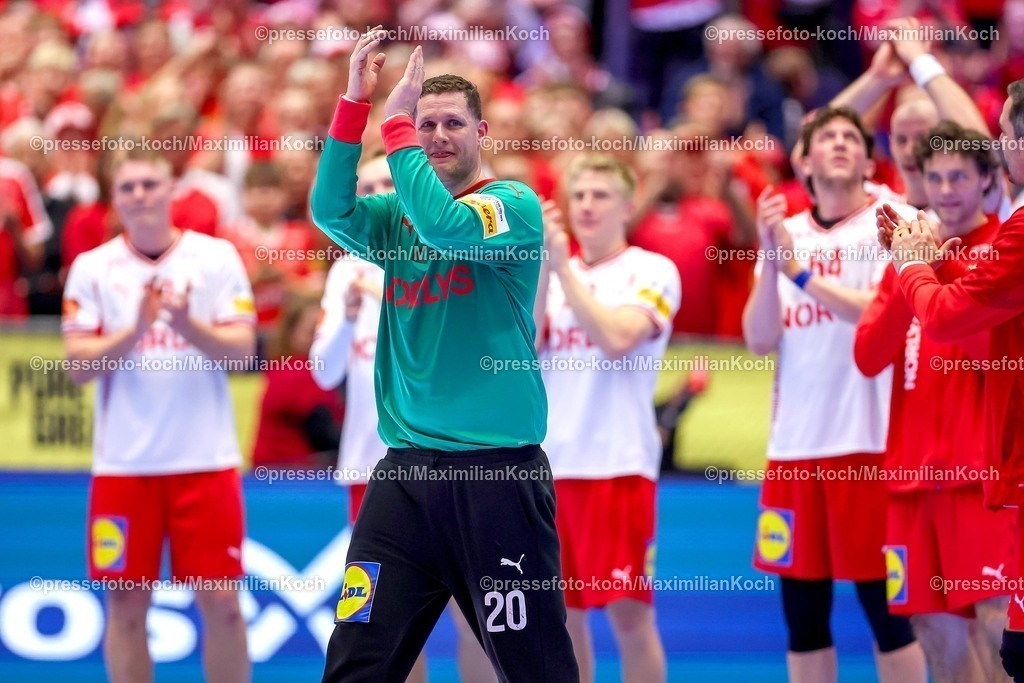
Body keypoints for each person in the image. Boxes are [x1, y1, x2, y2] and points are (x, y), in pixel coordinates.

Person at [310, 29, 578, 683]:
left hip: (496, 476)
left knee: (533, 663)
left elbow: (444, 226)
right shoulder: (395, 217)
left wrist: (395, 121)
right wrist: (355, 102)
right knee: (357, 657)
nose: (436, 134)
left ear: (482, 130)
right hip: (403, 476)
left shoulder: (509, 206)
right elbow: (329, 209)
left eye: (452, 122)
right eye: (425, 123)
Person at [742, 106, 927, 683]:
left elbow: (883, 313)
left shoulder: (898, 220)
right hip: (796, 447)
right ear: (805, 160)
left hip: (870, 442)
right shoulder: (786, 235)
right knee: (803, 616)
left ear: (871, 159)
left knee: (889, 612)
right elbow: (758, 339)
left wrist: (800, 276)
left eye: (853, 136)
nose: (842, 144)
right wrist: (774, 262)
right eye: (828, 137)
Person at [61, 146, 255, 683]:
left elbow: (243, 353)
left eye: (150, 184)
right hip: (124, 468)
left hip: (206, 462)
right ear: (114, 198)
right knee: (125, 611)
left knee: (224, 606)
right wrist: (136, 329)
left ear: (172, 191)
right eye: (128, 187)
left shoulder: (215, 258)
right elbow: (77, 367)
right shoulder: (92, 268)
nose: (140, 196)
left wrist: (186, 324)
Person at [855, 120, 1015, 682]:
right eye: (934, 177)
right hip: (909, 480)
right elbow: (868, 355)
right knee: (935, 634)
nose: (946, 190)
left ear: (989, 179)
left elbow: (971, 342)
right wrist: (910, 268)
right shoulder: (909, 257)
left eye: (959, 178)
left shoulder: (1004, 247)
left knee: (999, 627)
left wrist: (931, 268)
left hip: (979, 479)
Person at [536, 153, 681, 682]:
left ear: (627, 205)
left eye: (600, 196)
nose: (588, 206)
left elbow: (618, 339)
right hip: (550, 470)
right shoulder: (548, 276)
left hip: (617, 465)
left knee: (629, 614)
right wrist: (543, 270)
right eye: (578, 196)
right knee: (560, 620)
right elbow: (523, 352)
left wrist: (565, 270)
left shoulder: (652, 270)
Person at [251, 292, 343, 469]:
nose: (321, 339)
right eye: (312, 332)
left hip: (272, 472)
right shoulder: (299, 370)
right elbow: (323, 434)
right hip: (288, 476)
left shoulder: (279, 366)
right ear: (290, 332)